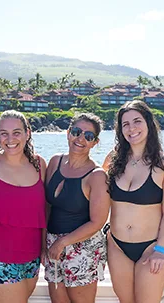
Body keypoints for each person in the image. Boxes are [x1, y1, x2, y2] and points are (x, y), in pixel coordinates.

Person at [103, 100, 164, 303]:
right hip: (117, 246)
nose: (132, 128)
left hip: (151, 247)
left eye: (137, 121)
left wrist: (161, 250)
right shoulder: (113, 160)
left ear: (148, 123)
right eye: (125, 124)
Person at [0, 110, 47, 303]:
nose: (10, 138)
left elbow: (45, 209)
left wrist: (44, 248)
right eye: (3, 133)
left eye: (16, 132)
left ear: (27, 133)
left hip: (31, 256)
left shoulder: (40, 165)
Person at [44, 113, 110, 303]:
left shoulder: (96, 176)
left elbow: (97, 221)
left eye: (88, 136)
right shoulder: (55, 162)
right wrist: (44, 243)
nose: (81, 139)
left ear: (95, 143)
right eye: (76, 132)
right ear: (68, 133)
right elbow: (47, 206)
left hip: (83, 248)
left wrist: (63, 243)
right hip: (53, 244)